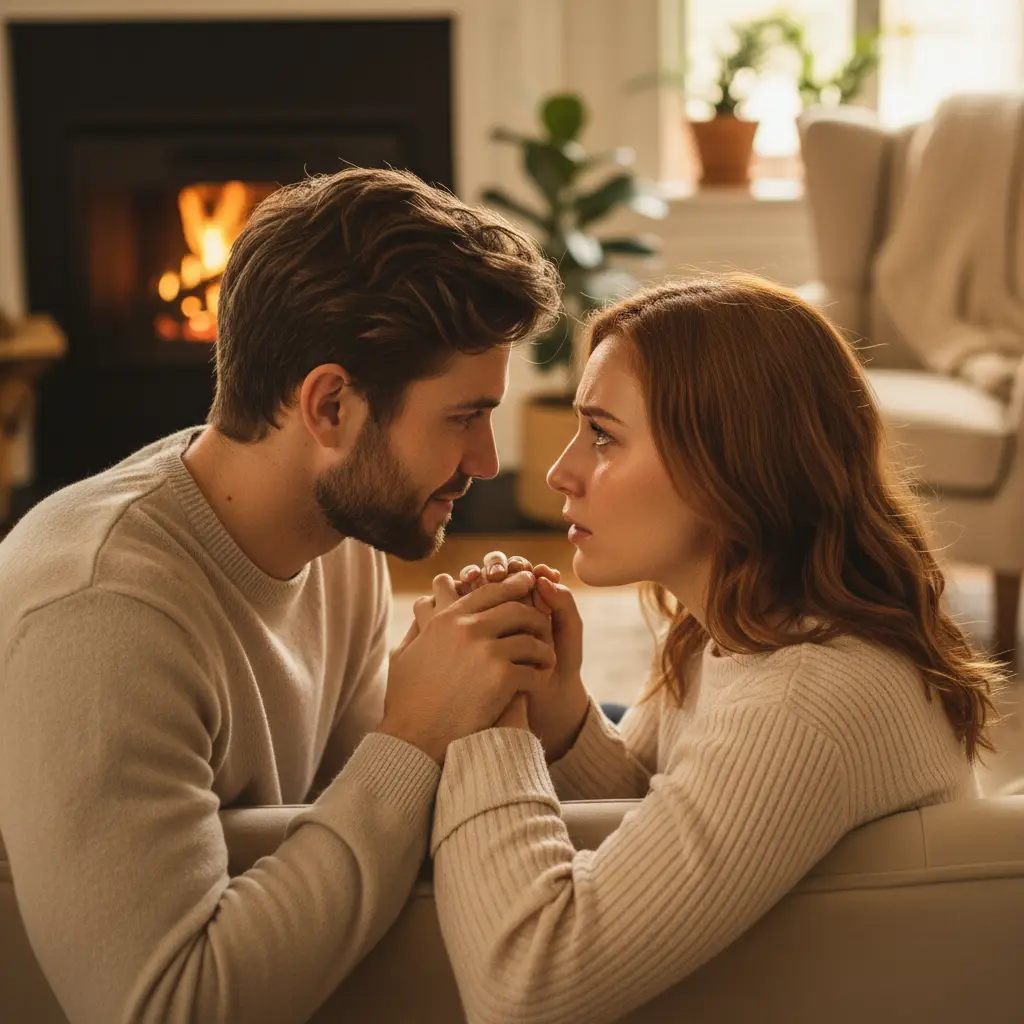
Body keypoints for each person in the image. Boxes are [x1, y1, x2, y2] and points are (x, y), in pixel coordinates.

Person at [0, 166, 562, 1023]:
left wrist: (505, 704)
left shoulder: (339, 538)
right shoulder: (101, 614)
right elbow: (165, 1008)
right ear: (330, 406)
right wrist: (414, 735)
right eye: (462, 418)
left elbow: (349, 814)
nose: (487, 463)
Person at [420, 275, 1009, 1024]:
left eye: (602, 435)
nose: (561, 472)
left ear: (729, 464)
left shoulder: (807, 700)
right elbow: (664, 816)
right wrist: (558, 704)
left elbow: (527, 988)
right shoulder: (735, 624)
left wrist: (486, 713)